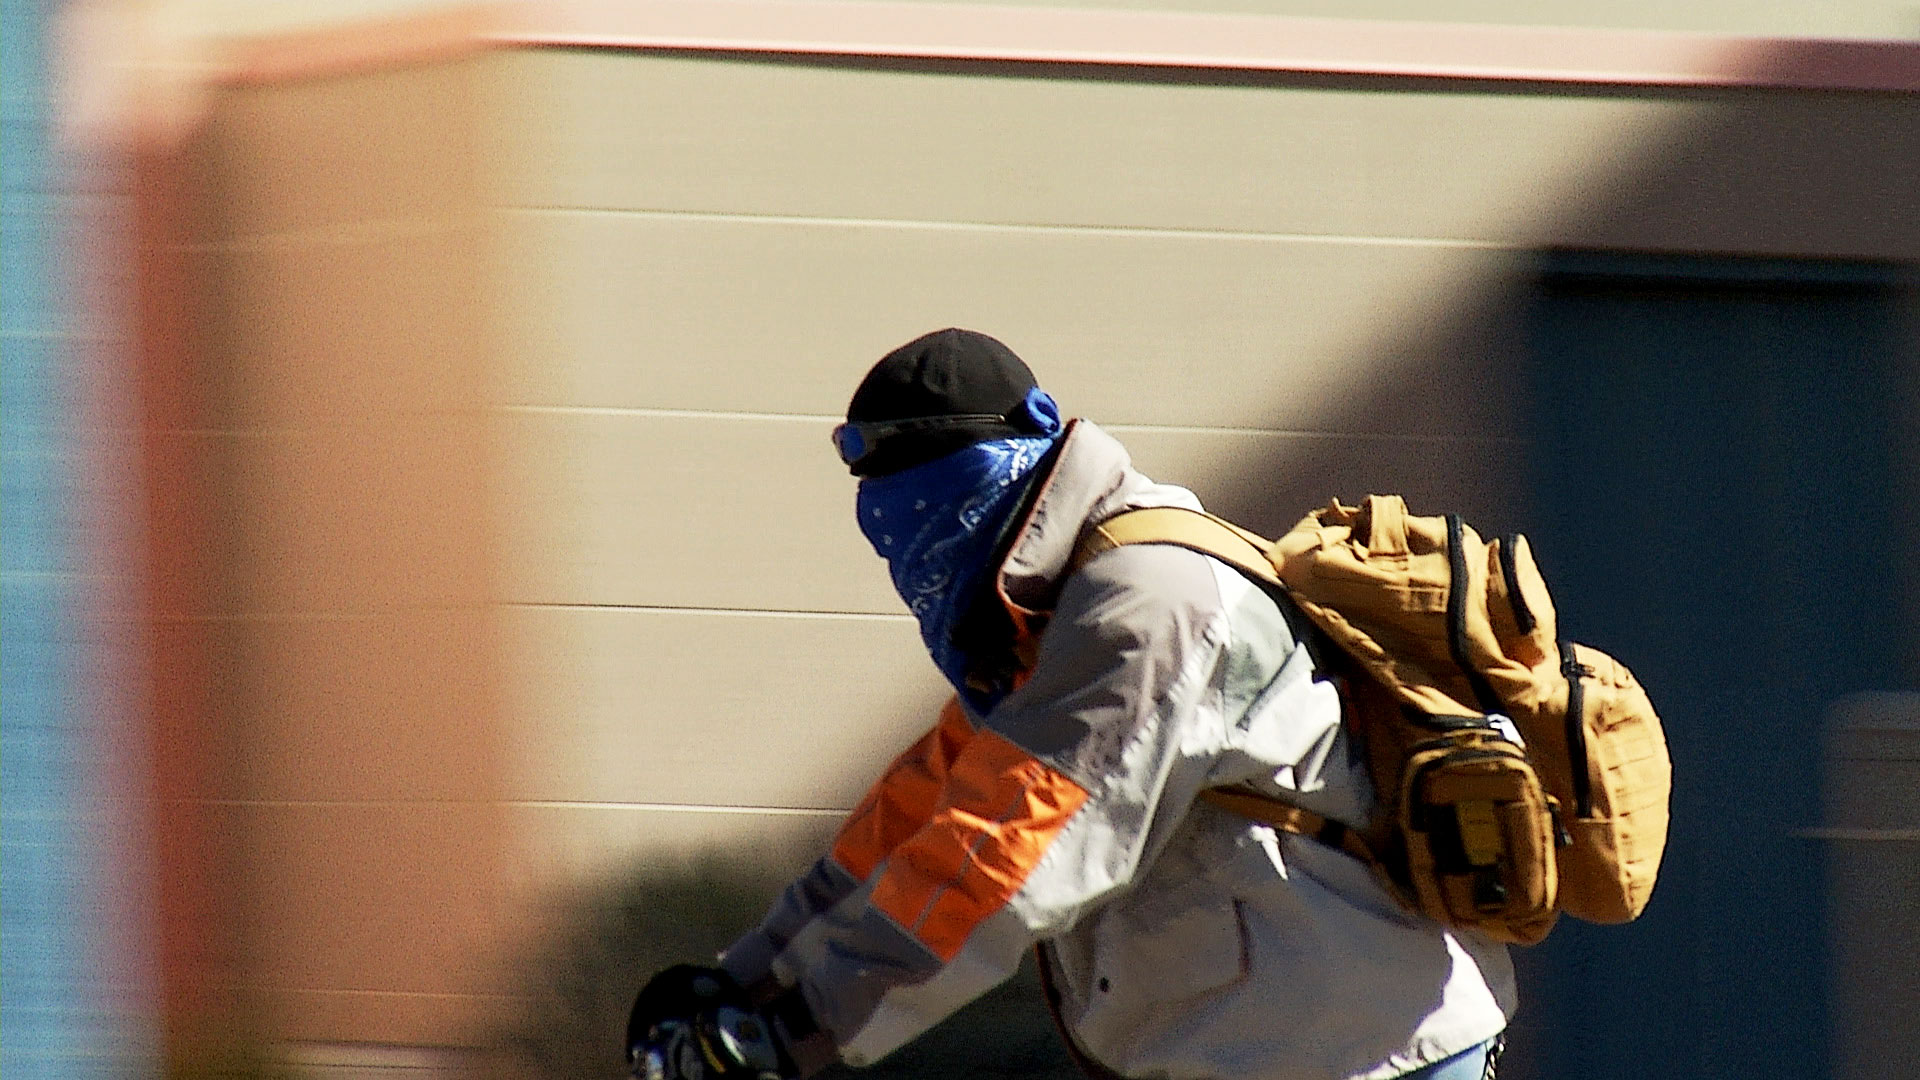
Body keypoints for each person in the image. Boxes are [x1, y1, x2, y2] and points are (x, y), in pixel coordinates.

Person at [625, 329, 1515, 1080]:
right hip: (1282, 1040)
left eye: (929, 490)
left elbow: (1006, 855)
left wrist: (797, 1028)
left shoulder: (1148, 602)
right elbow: (924, 813)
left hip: (1362, 1047)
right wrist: (744, 981)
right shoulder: (1054, 612)